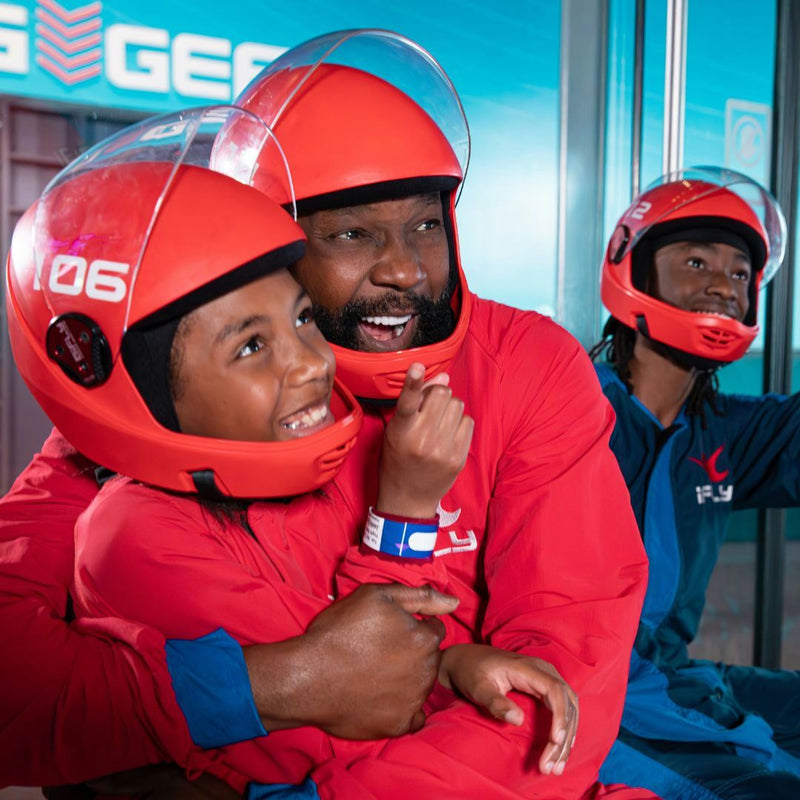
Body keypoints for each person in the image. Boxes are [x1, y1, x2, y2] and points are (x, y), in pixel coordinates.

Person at [2, 30, 651, 799]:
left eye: (425, 224)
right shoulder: (153, 420)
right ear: (263, 245)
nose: (406, 267)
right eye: (351, 233)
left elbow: (558, 674)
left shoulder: (531, 368)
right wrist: (279, 682)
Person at [590, 166, 800, 799]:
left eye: (740, 273)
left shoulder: (720, 430)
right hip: (590, 698)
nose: (724, 286)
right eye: (697, 263)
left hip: (675, 675)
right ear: (637, 267)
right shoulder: (569, 410)